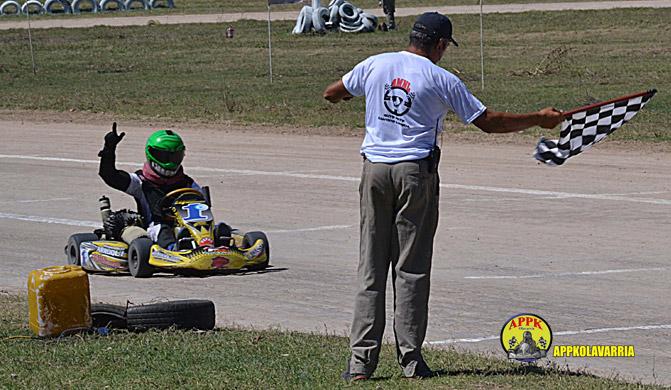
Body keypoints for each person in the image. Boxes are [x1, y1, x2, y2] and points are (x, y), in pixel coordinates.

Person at [323, 12, 563, 380]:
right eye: (445, 47)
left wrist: (358, 101)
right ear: (438, 45)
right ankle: (410, 360)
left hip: (373, 172)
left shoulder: (375, 64)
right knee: (411, 268)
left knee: (371, 267)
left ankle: (360, 363)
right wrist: (539, 119)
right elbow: (488, 121)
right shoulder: (439, 78)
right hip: (414, 175)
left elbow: (333, 93)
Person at [98, 122, 201, 249]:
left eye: (174, 157)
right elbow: (110, 176)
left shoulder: (188, 184)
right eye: (163, 156)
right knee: (162, 230)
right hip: (153, 228)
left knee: (218, 228)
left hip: (187, 226)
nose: (169, 162)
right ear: (151, 154)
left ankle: (214, 244)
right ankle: (174, 249)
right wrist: (109, 148)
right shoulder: (140, 182)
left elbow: (202, 207)